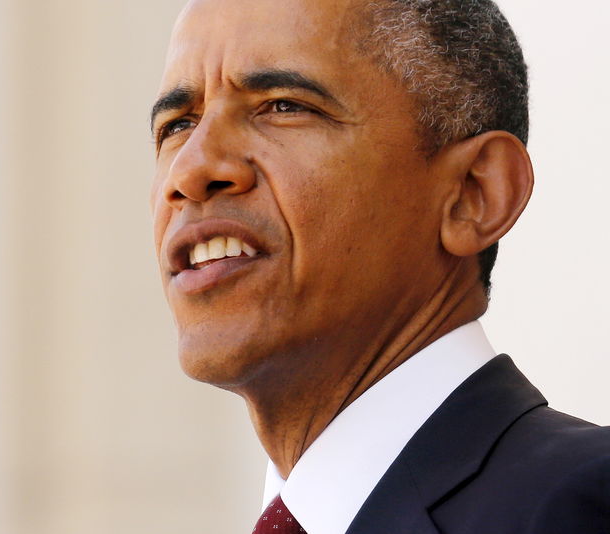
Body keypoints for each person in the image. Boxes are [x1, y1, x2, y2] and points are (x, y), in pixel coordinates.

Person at [148, 0, 610, 532]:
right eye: (177, 124)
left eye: (282, 106)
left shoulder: (582, 504)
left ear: (473, 194)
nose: (191, 169)